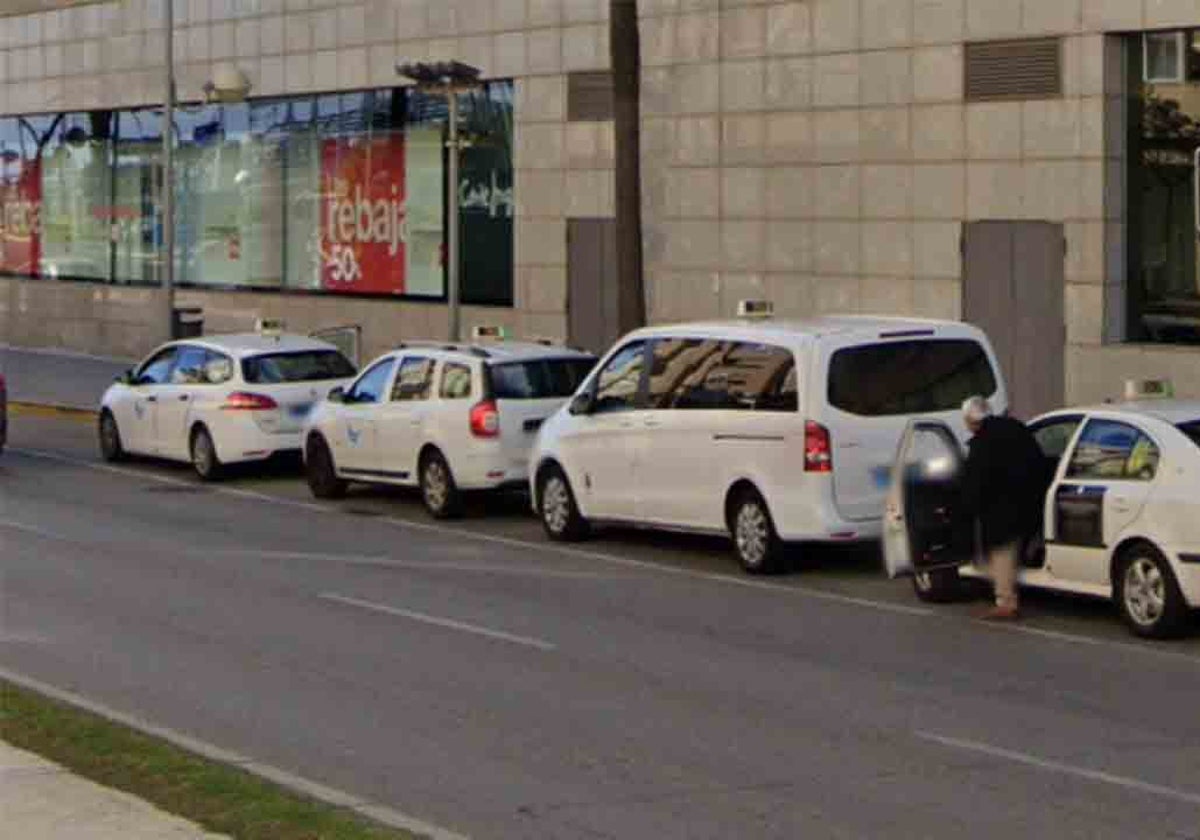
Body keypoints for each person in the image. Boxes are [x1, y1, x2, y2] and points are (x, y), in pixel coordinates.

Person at [959, 396, 1047, 620]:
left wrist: (969, 506)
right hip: (1032, 499)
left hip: (1001, 507)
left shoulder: (983, 442)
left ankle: (1006, 602)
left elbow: (977, 480)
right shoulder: (1017, 428)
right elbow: (1039, 459)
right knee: (1015, 545)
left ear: (971, 420)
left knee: (1002, 551)